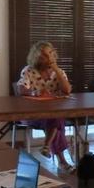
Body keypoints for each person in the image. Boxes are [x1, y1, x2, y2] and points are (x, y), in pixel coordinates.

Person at [16, 41, 75, 172]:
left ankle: (47, 147)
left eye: (50, 54)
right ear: (37, 57)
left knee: (56, 117)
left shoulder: (58, 72)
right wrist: (33, 92)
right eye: (45, 55)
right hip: (32, 114)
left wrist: (56, 70)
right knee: (57, 120)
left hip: (52, 114)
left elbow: (67, 90)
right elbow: (20, 89)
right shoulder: (28, 70)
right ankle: (61, 160)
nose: (49, 58)